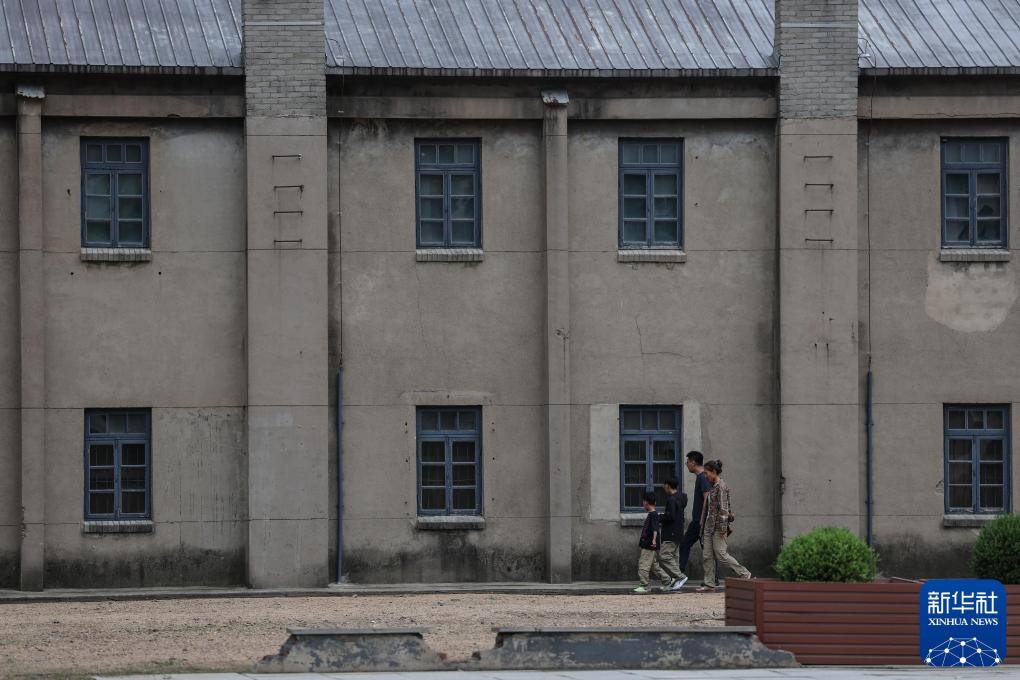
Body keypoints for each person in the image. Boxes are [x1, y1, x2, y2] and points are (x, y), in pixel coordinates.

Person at [696, 459, 752, 592]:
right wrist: (702, 522)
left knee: (721, 554)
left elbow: (724, 509)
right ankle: (709, 584)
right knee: (707, 556)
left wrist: (722, 528)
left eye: (707, 473)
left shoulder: (721, 487)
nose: (705, 476)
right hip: (708, 526)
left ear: (714, 472)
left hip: (718, 527)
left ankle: (744, 574)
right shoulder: (712, 486)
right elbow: (709, 507)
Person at [677, 450, 710, 574]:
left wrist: (702, 520)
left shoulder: (703, 478)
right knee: (687, 545)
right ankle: (680, 573)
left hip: (701, 521)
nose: (687, 465)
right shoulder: (701, 477)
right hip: (698, 521)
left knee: (706, 550)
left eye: (687, 462)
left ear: (693, 462)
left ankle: (680, 574)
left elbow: (707, 498)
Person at [658, 477, 689, 591]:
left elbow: (670, 516)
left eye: (664, 486)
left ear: (668, 486)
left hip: (670, 532)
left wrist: (659, 517)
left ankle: (680, 577)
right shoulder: (682, 497)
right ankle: (675, 583)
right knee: (674, 558)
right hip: (678, 532)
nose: (663, 488)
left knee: (664, 556)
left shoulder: (671, 499)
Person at [633, 491, 668, 594]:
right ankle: (667, 581)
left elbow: (655, 529)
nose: (643, 504)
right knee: (654, 566)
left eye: (643, 502)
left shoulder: (653, 515)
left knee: (643, 564)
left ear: (646, 502)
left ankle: (644, 585)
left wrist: (653, 540)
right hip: (650, 545)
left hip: (649, 545)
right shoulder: (653, 514)